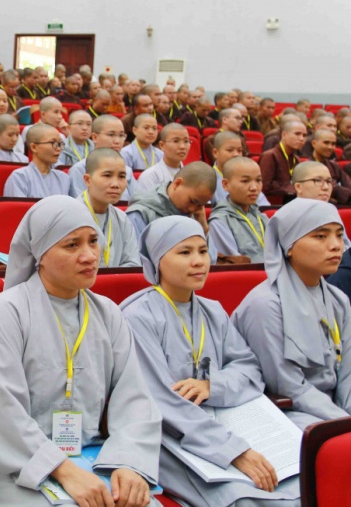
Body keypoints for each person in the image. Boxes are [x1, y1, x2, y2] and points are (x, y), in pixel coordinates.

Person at [0, 195, 162, 506]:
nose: (90, 256)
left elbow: (133, 395)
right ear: (40, 253)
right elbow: (3, 410)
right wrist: (62, 470)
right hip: (7, 461)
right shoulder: (5, 313)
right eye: (72, 245)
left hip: (87, 450)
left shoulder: (108, 313)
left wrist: (128, 462)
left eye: (93, 241)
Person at [121, 216, 300, 505]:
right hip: (169, 435)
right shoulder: (138, 317)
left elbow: (249, 369)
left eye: (203, 251)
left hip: (226, 420)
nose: (198, 262)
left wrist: (211, 386)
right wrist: (232, 450)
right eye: (184, 252)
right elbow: (160, 400)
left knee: (299, 480)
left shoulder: (213, 311)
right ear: (157, 260)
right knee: (246, 499)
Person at [232, 199, 351, 429]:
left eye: (339, 235)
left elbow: (347, 374)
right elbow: (287, 386)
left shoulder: (339, 299)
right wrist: (343, 422)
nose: (336, 245)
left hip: (334, 409)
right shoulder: (265, 305)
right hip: (289, 411)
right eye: (320, 236)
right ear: (289, 245)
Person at [78, 148, 140, 267]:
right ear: (87, 180)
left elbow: (132, 264)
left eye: (121, 176)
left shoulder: (122, 218)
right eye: (107, 175)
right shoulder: (70, 215)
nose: (115, 184)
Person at [127, 162, 217, 239]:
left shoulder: (196, 216)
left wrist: (203, 229)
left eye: (200, 205)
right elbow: (135, 256)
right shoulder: (140, 214)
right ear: (177, 184)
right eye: (192, 201)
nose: (192, 209)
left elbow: (211, 259)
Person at [207, 157, 270, 263]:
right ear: (225, 185)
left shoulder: (261, 217)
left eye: (258, 180)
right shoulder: (220, 221)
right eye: (245, 181)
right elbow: (235, 264)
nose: (254, 187)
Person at [68, 114, 138, 200]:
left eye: (121, 136)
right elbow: (79, 205)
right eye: (111, 135)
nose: (117, 141)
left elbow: (138, 202)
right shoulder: (80, 169)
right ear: (95, 137)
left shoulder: (127, 170)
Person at [4, 125, 71, 198]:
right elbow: (18, 208)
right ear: (34, 147)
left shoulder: (63, 178)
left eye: (60, 144)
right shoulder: (20, 177)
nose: (58, 149)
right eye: (53, 143)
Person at [259, 120, 305, 202]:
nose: (301, 138)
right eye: (297, 134)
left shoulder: (296, 159)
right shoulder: (270, 156)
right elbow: (265, 186)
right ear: (284, 135)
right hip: (272, 204)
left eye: (304, 135)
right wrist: (290, 189)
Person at [136, 123, 189, 193]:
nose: (182, 146)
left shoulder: (192, 176)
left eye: (186, 141)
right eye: (176, 141)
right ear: (162, 145)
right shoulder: (149, 176)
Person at [304, 129, 351, 204]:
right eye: (326, 143)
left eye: (333, 144)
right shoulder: (306, 167)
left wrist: (336, 188)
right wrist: (336, 188)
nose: (330, 147)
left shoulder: (334, 166)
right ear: (314, 143)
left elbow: (348, 185)